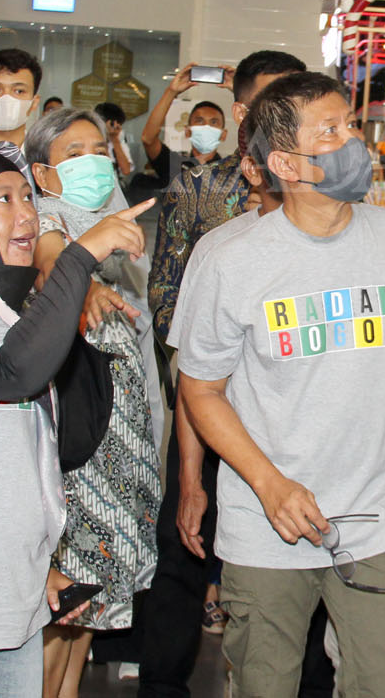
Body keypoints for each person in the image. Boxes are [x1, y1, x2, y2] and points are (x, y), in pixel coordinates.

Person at [174, 71, 385, 698]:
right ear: (284, 163)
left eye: (350, 125)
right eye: (329, 131)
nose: (352, 141)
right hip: (266, 523)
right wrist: (269, 484)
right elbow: (201, 391)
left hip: (378, 517)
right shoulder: (228, 256)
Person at [0, 146, 152, 698]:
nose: (26, 213)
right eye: (3, 200)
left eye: (28, 196)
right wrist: (80, 255)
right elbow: (9, 372)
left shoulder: (7, 303)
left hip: (15, 591)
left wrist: (38, 564)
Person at [140, 49, 305, 698]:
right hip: (208, 402)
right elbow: (171, 302)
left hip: (293, 410)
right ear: (242, 113)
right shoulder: (200, 185)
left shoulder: (318, 196)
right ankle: (163, 683)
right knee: (184, 544)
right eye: (271, 104)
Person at [27, 109, 163, 697]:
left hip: (120, 433)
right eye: (73, 152)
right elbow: (51, 262)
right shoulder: (44, 216)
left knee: (95, 590)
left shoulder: (112, 220)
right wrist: (84, 278)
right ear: (43, 173)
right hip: (79, 432)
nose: (93, 161)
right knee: (65, 593)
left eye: (98, 150)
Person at [138, 63, 236, 194]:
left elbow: (260, 144)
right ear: (188, 131)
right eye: (199, 121)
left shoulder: (231, 170)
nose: (206, 126)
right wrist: (171, 92)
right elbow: (148, 139)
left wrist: (240, 91)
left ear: (223, 134)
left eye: (214, 122)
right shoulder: (174, 164)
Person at [93, 101, 136, 183]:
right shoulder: (89, 136)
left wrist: (115, 140)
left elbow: (126, 170)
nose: (115, 128)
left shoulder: (118, 136)